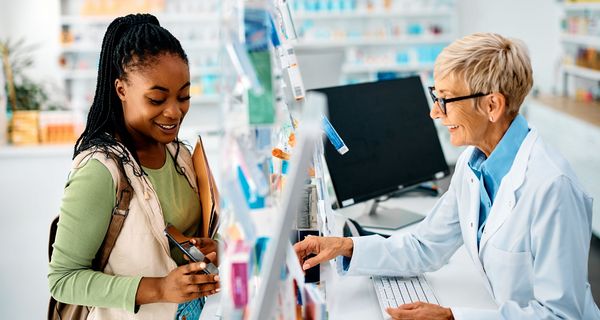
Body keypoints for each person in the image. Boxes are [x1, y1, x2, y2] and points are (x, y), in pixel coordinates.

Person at [294, 33, 600, 319]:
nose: (435, 113)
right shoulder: (473, 163)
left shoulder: (552, 188)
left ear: (492, 105)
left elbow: (561, 315)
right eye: (434, 96)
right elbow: (425, 245)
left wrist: (454, 316)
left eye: (446, 100)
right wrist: (346, 246)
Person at [48, 13, 219, 320]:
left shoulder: (180, 155)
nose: (174, 112)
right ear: (122, 90)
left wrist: (210, 248)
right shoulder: (101, 172)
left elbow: (183, 236)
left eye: (184, 97)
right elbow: (62, 280)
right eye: (156, 99)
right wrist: (158, 288)